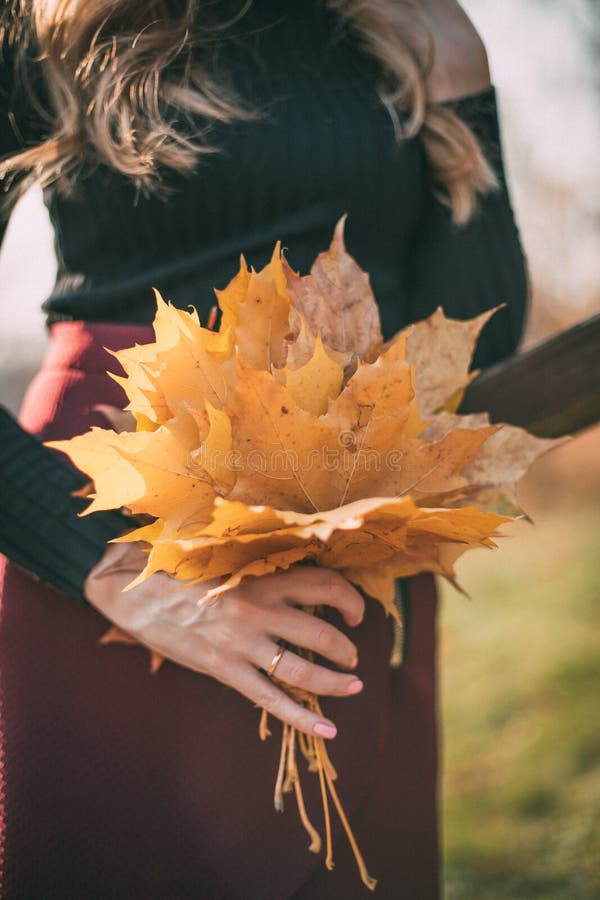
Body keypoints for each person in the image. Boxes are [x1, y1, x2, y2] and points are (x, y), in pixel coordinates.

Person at [0, 0, 528, 896]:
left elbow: (472, 334)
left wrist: (458, 85)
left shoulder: (401, 23)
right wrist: (119, 570)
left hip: (355, 527)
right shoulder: (42, 26)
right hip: (116, 522)